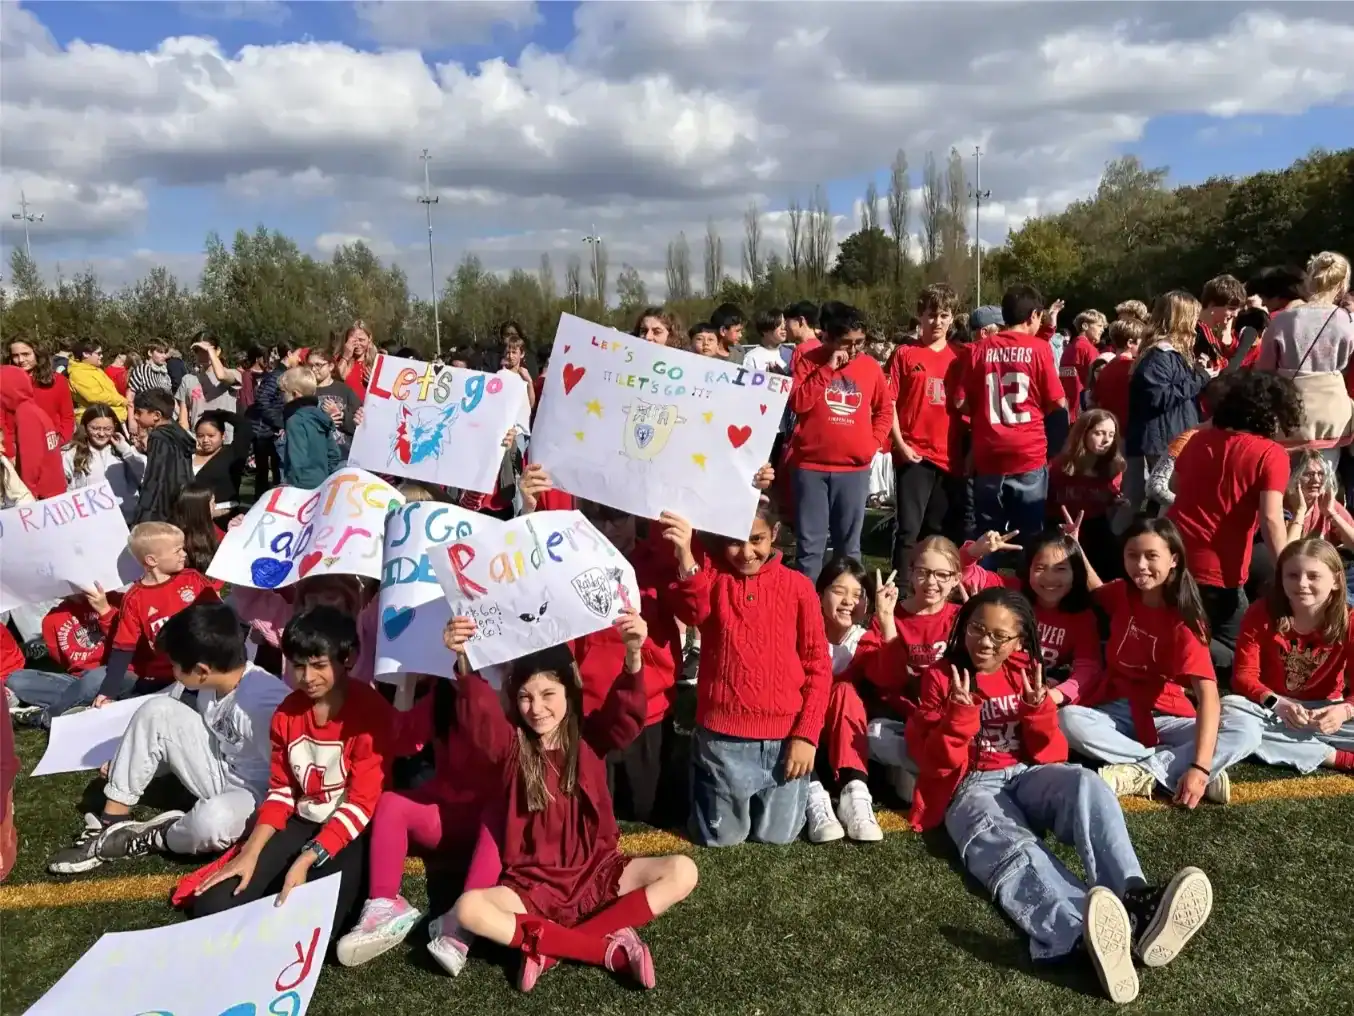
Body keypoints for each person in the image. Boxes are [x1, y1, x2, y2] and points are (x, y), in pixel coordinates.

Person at [906, 586, 1214, 1005]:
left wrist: (1038, 711)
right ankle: (1076, 932)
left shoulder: (1024, 670)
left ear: (1019, 640)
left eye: (1000, 636)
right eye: (977, 629)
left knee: (1086, 782)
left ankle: (1134, 900)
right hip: (970, 785)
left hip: (1025, 774)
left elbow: (1049, 754)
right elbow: (934, 763)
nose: (985, 642)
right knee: (1015, 847)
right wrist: (960, 717)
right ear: (963, 628)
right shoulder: (943, 676)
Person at [445, 619, 698, 993]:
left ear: (569, 689)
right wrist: (463, 659)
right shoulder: (510, 746)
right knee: (468, 909)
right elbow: (478, 714)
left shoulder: (589, 738)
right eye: (526, 697)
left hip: (599, 874)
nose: (536, 708)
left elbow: (626, 713)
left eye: (548, 694)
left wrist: (632, 654)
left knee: (683, 870)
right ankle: (605, 951)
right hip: (533, 887)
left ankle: (548, 948)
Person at [184, 606, 393, 937]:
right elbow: (281, 790)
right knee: (211, 907)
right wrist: (250, 852)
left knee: (310, 927)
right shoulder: (286, 714)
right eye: (299, 666)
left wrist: (307, 857)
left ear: (348, 658)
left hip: (352, 829)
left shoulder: (371, 712)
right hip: (302, 817)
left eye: (319, 665)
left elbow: (362, 803)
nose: (307, 677)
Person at [46, 604, 287, 875]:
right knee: (157, 709)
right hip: (223, 767)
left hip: (258, 796)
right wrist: (129, 758)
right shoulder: (216, 680)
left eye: (174, 665)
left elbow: (290, 783)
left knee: (212, 822)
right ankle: (112, 820)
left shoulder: (263, 705)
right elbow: (162, 725)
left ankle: (155, 834)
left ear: (201, 670)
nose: (172, 671)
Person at [1058, 517, 1261, 807]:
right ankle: (1170, 766)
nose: (1140, 565)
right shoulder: (1121, 593)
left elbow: (1208, 697)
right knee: (1067, 720)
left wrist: (1201, 769)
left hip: (1167, 715)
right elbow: (1096, 590)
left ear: (1174, 559)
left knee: (1247, 730)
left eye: (1151, 556)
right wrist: (1075, 547)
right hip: (1115, 710)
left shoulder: (1186, 623)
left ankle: (1143, 773)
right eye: (1132, 555)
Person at [664, 502, 832, 847]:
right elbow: (691, 610)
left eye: (756, 539)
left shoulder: (799, 587)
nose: (746, 552)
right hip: (723, 740)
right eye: (734, 541)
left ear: (774, 534)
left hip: (786, 741)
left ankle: (812, 787)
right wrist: (684, 554)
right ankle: (701, 768)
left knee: (779, 837)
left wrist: (807, 736)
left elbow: (818, 666)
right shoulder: (712, 579)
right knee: (720, 838)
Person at [335, 673, 505, 972]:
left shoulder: (511, 695)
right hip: (448, 819)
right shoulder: (441, 695)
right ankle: (383, 904)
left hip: (493, 831)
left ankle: (463, 924)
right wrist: (379, 689)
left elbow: (492, 744)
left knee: (500, 814)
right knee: (390, 803)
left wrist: (470, 685)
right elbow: (400, 736)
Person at [1166, 372, 1301, 674]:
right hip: (1218, 571)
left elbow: (1175, 485)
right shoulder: (1271, 454)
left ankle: (1182, 652)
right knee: (1241, 653)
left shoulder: (1198, 439)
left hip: (1174, 555)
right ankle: (1190, 662)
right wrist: (1286, 572)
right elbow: (1271, 519)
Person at [1223, 538, 1354, 773]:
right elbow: (1243, 676)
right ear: (1281, 578)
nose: (1302, 584)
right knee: (1229, 710)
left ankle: (1297, 743)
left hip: (1324, 710)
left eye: (1313, 576)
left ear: (1335, 580)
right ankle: (1333, 757)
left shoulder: (1349, 620)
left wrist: (1342, 711)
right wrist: (1277, 703)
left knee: (1245, 732)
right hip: (1271, 708)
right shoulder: (1262, 612)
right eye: (1292, 575)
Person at [954, 285, 1066, 553]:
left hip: (989, 452)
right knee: (1031, 539)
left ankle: (984, 588)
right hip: (1028, 451)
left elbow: (960, 402)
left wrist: (984, 415)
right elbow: (1057, 403)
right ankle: (1029, 589)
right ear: (1033, 316)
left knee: (987, 538)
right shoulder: (1039, 348)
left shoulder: (977, 349)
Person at [788, 301, 891, 579]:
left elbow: (885, 409)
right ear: (827, 337)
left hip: (853, 470)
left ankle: (850, 606)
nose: (855, 349)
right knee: (811, 548)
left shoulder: (870, 367)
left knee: (849, 548)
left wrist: (874, 443)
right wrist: (827, 370)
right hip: (810, 468)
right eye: (847, 343)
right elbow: (798, 403)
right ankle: (806, 608)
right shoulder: (808, 362)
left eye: (860, 342)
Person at [808, 557, 895, 843]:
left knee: (845, 691)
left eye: (857, 595)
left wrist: (886, 619)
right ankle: (811, 790)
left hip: (843, 741)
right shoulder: (803, 632)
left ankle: (854, 790)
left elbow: (889, 678)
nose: (849, 601)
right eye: (839, 591)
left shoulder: (863, 639)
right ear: (819, 594)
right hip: (801, 738)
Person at [888, 284, 963, 572]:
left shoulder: (960, 356)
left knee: (939, 530)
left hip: (949, 455)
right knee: (908, 529)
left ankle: (935, 585)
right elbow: (889, 403)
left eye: (944, 315)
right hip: (914, 454)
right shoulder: (905, 354)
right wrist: (901, 444)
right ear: (920, 316)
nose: (938, 322)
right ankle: (902, 590)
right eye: (932, 315)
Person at [1256, 251, 1354, 453]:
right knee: (1323, 480)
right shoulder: (1346, 321)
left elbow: (1264, 371)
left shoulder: (1283, 320)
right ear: (1343, 284)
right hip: (1332, 417)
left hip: (1289, 416)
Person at [1124, 291, 1209, 510]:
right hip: (1161, 441)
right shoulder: (1159, 355)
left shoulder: (1170, 354)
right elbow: (1158, 397)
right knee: (1162, 504)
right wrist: (1200, 378)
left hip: (1171, 437)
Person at [5, 589, 123, 728]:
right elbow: (62, 661)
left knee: (97, 677)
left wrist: (105, 611)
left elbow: (128, 643)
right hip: (76, 681)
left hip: (114, 671)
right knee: (17, 679)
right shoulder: (52, 619)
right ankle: (87, 703)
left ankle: (46, 716)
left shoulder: (115, 600)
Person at [1048, 408, 1125, 580]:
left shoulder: (1114, 467)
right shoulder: (1057, 467)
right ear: (1083, 433)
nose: (1106, 440)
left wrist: (1115, 501)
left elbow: (1107, 500)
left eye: (1111, 435)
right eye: (1099, 433)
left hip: (1095, 526)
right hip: (1059, 527)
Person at [63, 404, 145, 522]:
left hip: (126, 519)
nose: (101, 434)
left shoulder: (124, 450)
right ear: (85, 427)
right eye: (95, 428)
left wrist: (126, 451)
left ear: (114, 427)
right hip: (92, 521)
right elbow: (67, 490)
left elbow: (142, 478)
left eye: (107, 429)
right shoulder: (72, 455)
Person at [0, 364, 67, 498]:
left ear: (7, 392)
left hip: (42, 494)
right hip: (55, 486)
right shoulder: (33, 408)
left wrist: (29, 491)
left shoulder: (24, 414)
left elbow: (30, 458)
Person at [132, 388, 195, 525]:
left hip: (163, 509)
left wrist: (144, 516)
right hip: (183, 502)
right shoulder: (178, 433)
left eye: (139, 412)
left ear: (156, 415)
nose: (135, 417)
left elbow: (155, 478)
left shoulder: (158, 437)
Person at [277, 367, 342, 489]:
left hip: (300, 485)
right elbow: (334, 454)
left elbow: (297, 458)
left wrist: (293, 484)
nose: (281, 397)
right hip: (322, 482)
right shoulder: (321, 417)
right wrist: (323, 475)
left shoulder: (294, 420)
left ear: (295, 394)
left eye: (283, 392)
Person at [247, 345, 297, 492]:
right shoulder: (277, 376)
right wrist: (279, 423)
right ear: (289, 353)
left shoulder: (283, 374)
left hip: (271, 431)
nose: (300, 359)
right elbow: (262, 400)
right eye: (298, 354)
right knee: (266, 472)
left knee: (276, 470)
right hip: (265, 432)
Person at [8, 338, 74, 442]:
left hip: (53, 444)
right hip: (19, 445)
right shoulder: (6, 383)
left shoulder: (58, 381)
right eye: (15, 355)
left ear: (37, 353)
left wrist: (61, 440)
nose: (20, 360)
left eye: (26, 354)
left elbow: (67, 416)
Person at [191, 409, 252, 519]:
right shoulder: (189, 455)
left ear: (223, 436)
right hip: (191, 514)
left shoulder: (232, 453)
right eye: (200, 435)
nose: (205, 440)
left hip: (223, 516)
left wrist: (221, 414)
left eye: (211, 435)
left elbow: (244, 426)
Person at [1092, 318, 1150, 431]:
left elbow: (1096, 396)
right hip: (1126, 428)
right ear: (1129, 343)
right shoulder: (1132, 368)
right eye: (1141, 341)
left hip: (1109, 426)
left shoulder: (1107, 367)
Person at [177, 333, 242, 429]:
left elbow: (221, 376)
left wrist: (211, 352)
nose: (202, 354)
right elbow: (183, 419)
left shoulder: (233, 373)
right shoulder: (188, 379)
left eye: (205, 350)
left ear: (218, 351)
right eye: (197, 350)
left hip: (224, 439)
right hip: (198, 437)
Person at [307, 348, 361, 451]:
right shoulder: (307, 392)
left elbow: (359, 422)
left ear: (331, 366)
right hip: (317, 454)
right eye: (310, 365)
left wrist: (341, 415)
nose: (313, 369)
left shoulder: (344, 390)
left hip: (344, 453)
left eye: (318, 365)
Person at [1060, 310, 1107, 420]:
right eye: (1099, 325)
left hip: (1067, 410)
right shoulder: (1088, 349)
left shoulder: (1069, 348)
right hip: (1083, 411)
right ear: (1085, 326)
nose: (1102, 330)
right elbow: (1098, 381)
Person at [66, 341, 129, 422]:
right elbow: (96, 397)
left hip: (112, 416)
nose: (101, 356)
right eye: (98, 353)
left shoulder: (95, 369)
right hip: (96, 421)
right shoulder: (78, 374)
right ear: (85, 354)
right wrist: (123, 401)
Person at [1194, 274, 1247, 370]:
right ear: (1212, 304)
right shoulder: (1194, 333)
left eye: (1237, 310)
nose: (1235, 315)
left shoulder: (1209, 331)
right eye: (1231, 309)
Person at [170, 483, 221, 571]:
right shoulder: (176, 540)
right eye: (212, 503)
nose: (215, 506)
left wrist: (233, 528)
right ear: (200, 508)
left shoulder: (210, 526)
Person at [333, 321, 378, 397]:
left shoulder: (376, 362)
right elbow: (339, 378)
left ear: (369, 338)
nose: (357, 344)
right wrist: (346, 357)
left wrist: (374, 383)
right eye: (353, 341)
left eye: (361, 340)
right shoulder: (338, 359)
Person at [742, 309, 789, 374]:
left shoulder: (791, 354)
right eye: (778, 324)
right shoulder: (752, 357)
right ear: (764, 330)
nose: (783, 327)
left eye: (784, 323)